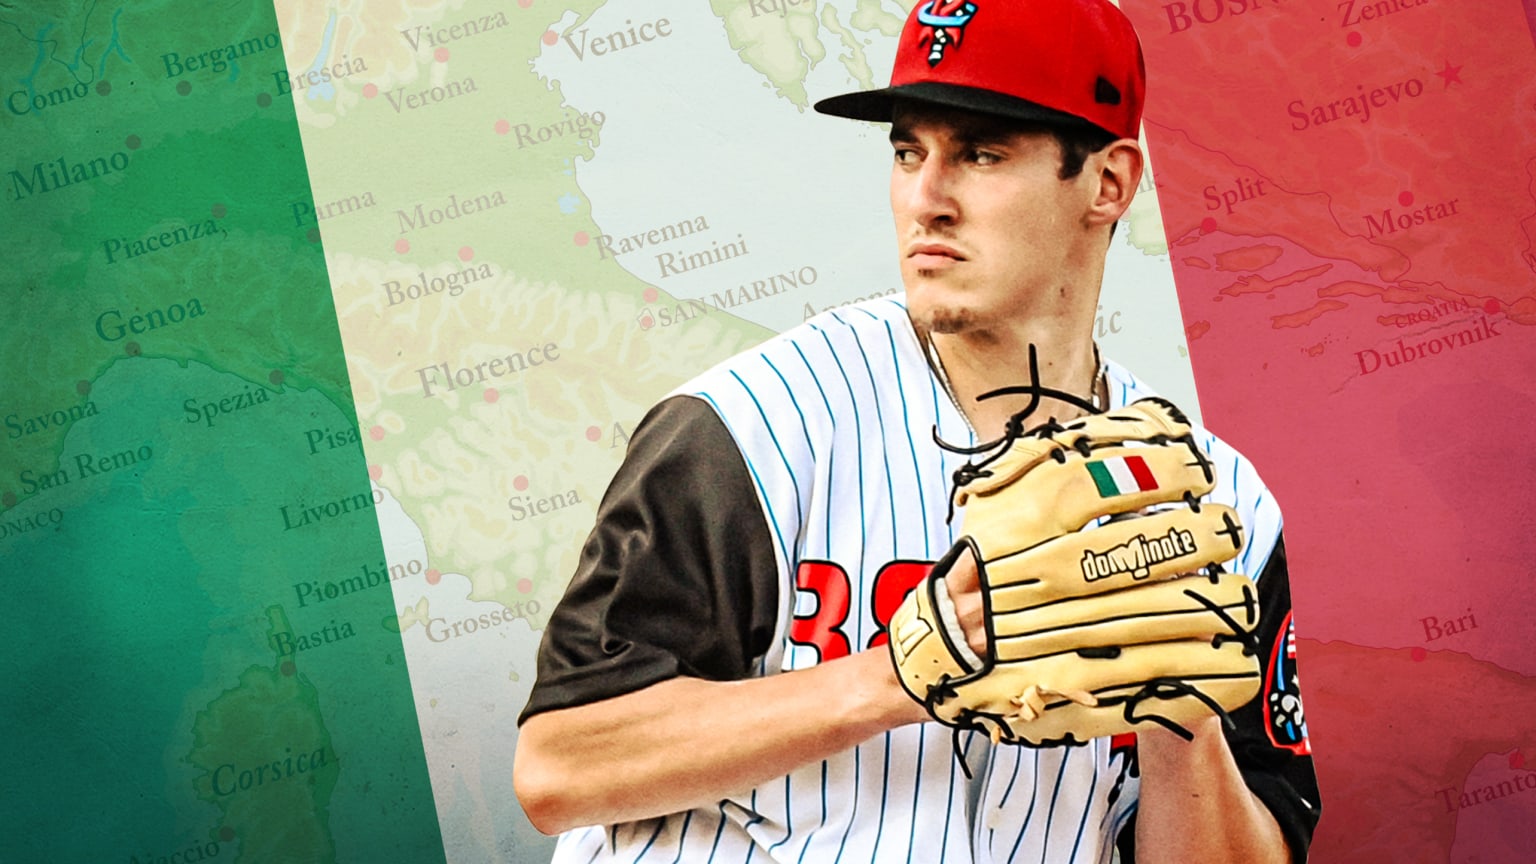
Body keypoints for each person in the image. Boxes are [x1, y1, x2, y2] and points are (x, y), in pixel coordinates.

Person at [514, 0, 1321, 861]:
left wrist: (1177, 716)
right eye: (908, 150)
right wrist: (898, 677)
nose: (926, 199)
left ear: (1109, 182)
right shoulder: (751, 430)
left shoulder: (1216, 502)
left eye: (981, 152)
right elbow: (559, 768)